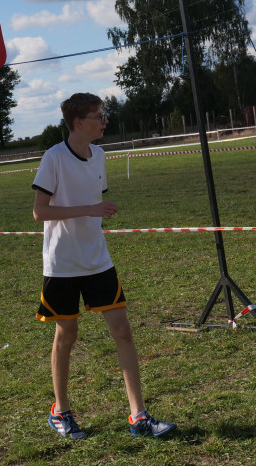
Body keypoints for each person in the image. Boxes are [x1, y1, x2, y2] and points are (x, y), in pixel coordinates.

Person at [33, 93, 176, 439]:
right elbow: (40, 212)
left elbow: (94, 202)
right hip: (62, 264)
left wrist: (93, 211)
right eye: (99, 116)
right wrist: (89, 209)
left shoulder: (99, 155)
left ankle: (138, 416)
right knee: (67, 334)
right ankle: (61, 412)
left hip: (98, 259)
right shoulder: (53, 158)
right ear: (80, 122)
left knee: (122, 330)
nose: (104, 121)